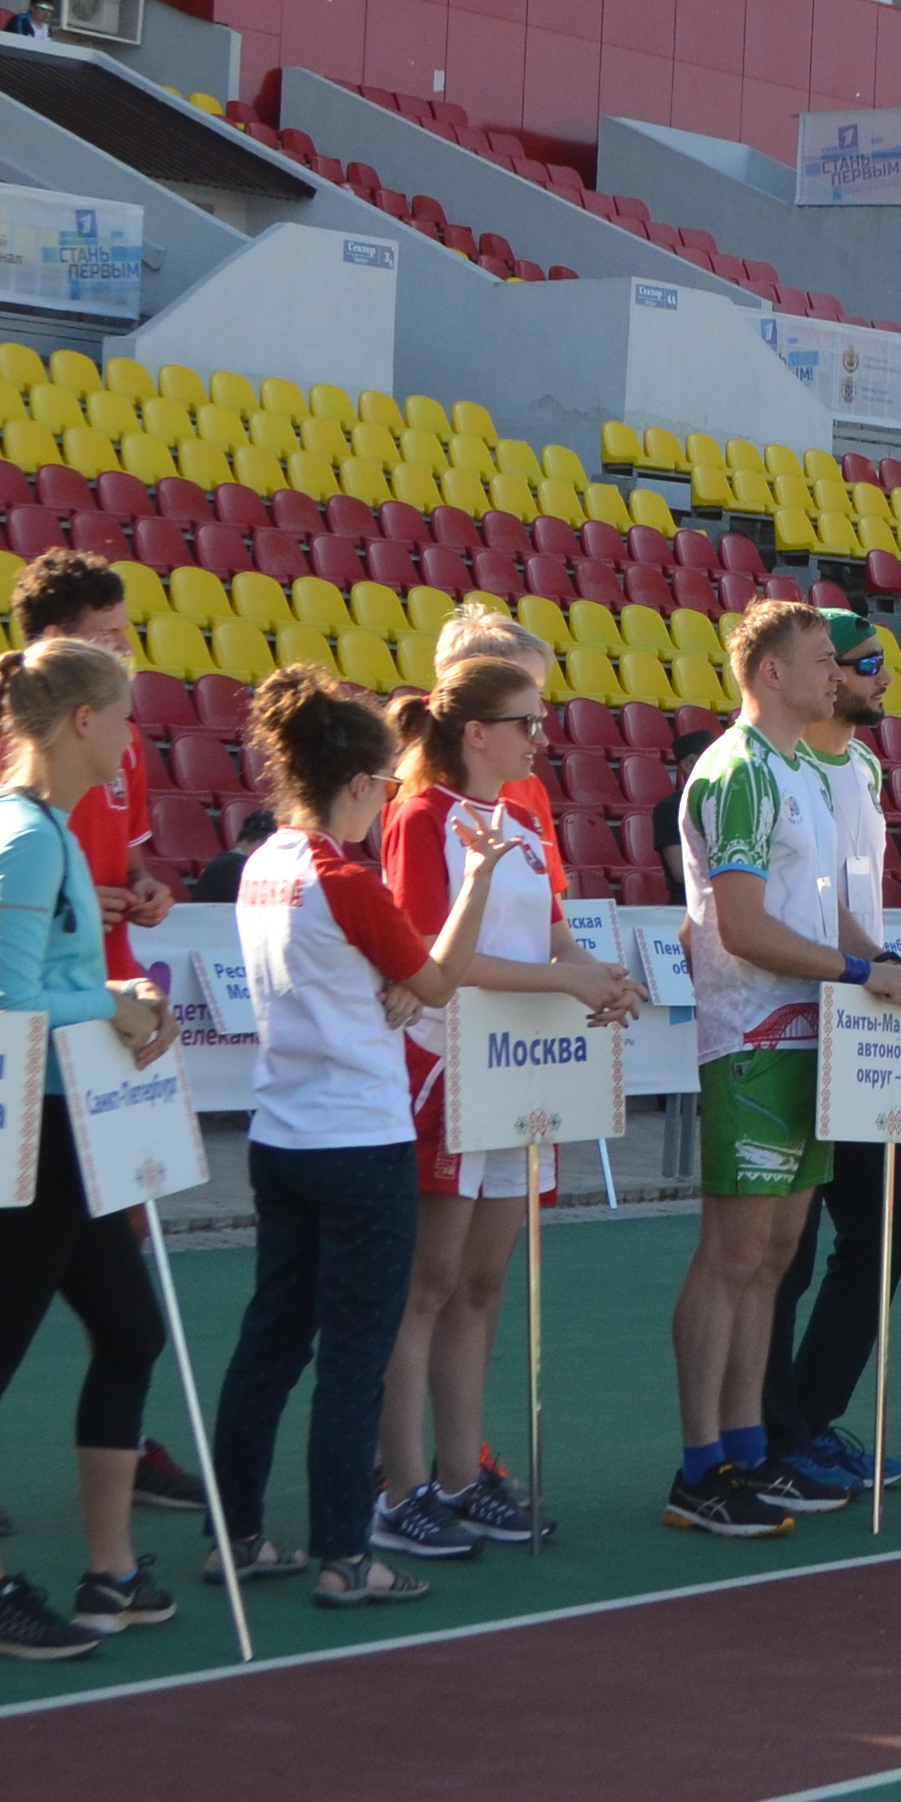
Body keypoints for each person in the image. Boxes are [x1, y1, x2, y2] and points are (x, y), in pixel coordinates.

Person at [0, 638, 191, 1660]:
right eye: (120, 718)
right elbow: (12, 998)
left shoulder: (43, 828)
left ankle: (108, 1569)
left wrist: (107, 1004)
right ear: (80, 724)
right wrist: (108, 1001)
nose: (129, 738)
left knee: (128, 1330)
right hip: (38, 1123)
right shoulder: (24, 837)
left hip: (71, 1120)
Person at [216, 669, 506, 1605]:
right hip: (357, 1140)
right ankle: (345, 1550)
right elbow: (435, 980)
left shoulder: (264, 864)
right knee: (353, 1351)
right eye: (382, 784)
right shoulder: (344, 877)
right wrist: (484, 874)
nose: (388, 797)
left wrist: (388, 983)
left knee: (270, 1341)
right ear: (356, 785)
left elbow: (379, 978)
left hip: (281, 1132)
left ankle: (242, 1532)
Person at [668, 599, 901, 1535]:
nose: (841, 672)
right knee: (734, 1255)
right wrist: (861, 968)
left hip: (812, 1037)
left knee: (776, 1256)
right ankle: (700, 1464)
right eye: (823, 658)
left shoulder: (810, 774)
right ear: (769, 673)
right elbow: (740, 926)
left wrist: (885, 965)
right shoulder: (736, 770)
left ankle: (749, 1447)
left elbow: (829, 920)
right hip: (752, 1039)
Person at [378, 649, 637, 1558]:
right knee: (427, 1284)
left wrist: (596, 977)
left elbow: (545, 933)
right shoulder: (421, 818)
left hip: (517, 1070)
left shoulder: (514, 822)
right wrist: (562, 981)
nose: (543, 736)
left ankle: (459, 1472)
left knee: (480, 1284)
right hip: (447, 1068)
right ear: (476, 732)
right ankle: (400, 1482)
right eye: (527, 721)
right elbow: (426, 962)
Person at [759, 612, 901, 1498]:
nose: (875, 680)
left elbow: (849, 902)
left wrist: (883, 965)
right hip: (787, 1022)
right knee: (782, 1246)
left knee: (887, 1228)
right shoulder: (781, 771)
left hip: (860, 1021)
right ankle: (772, 1431)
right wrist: (863, 964)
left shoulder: (858, 766)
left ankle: (807, 1419)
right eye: (862, 665)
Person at [0, 552, 174, 977]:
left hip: (111, 981)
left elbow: (129, 863)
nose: (124, 648)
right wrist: (66, 901)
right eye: (108, 635)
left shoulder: (124, 740)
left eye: (126, 632)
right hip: (34, 990)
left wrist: (144, 889)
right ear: (56, 639)